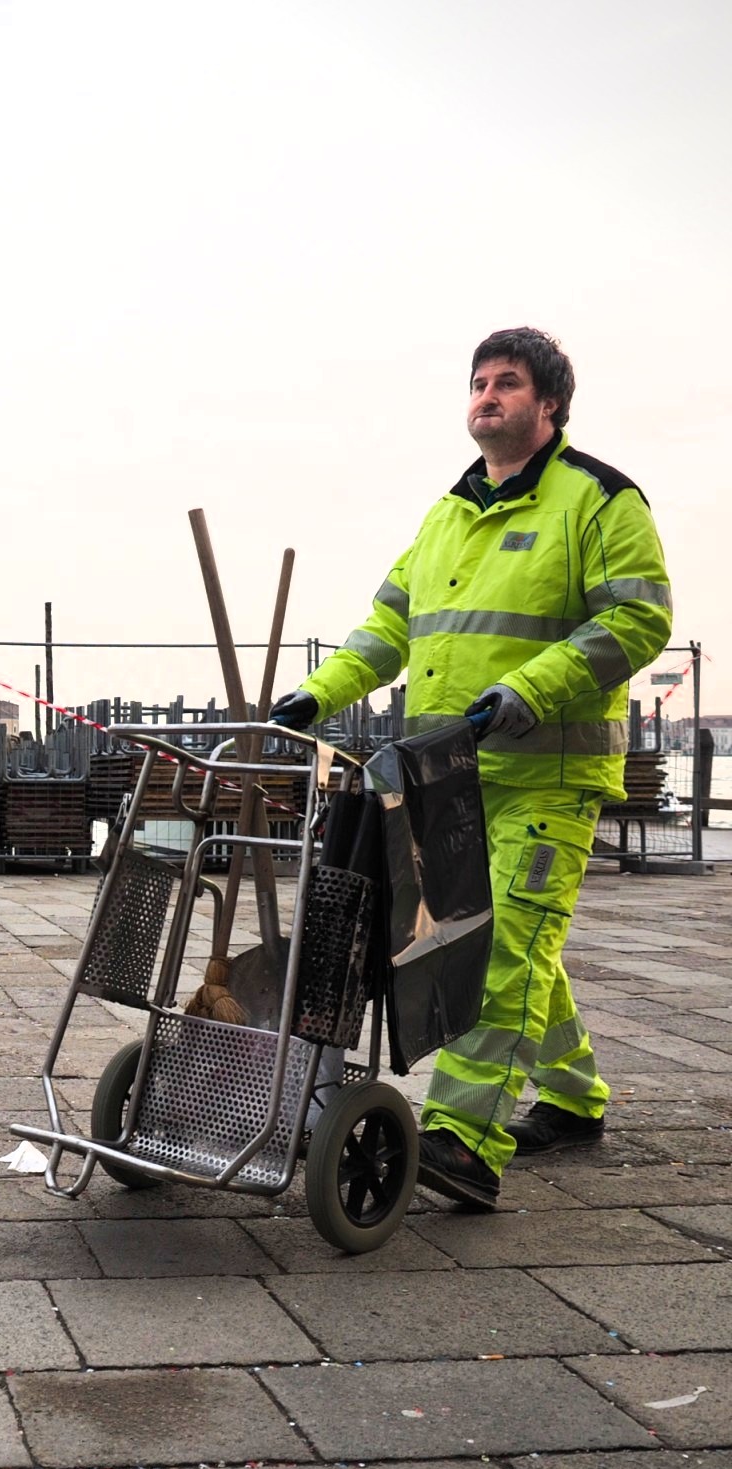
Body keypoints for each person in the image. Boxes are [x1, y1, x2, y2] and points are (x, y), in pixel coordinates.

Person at [271, 327, 671, 1208]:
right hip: (449, 778)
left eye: (508, 383)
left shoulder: (601, 501)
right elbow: (388, 629)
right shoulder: (447, 514)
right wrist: (318, 692)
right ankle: (572, 1098)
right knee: (519, 945)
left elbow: (635, 623)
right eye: (478, 383)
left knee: (501, 954)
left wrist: (524, 692)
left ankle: (462, 1141)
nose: (487, 396)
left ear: (550, 404)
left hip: (546, 776)